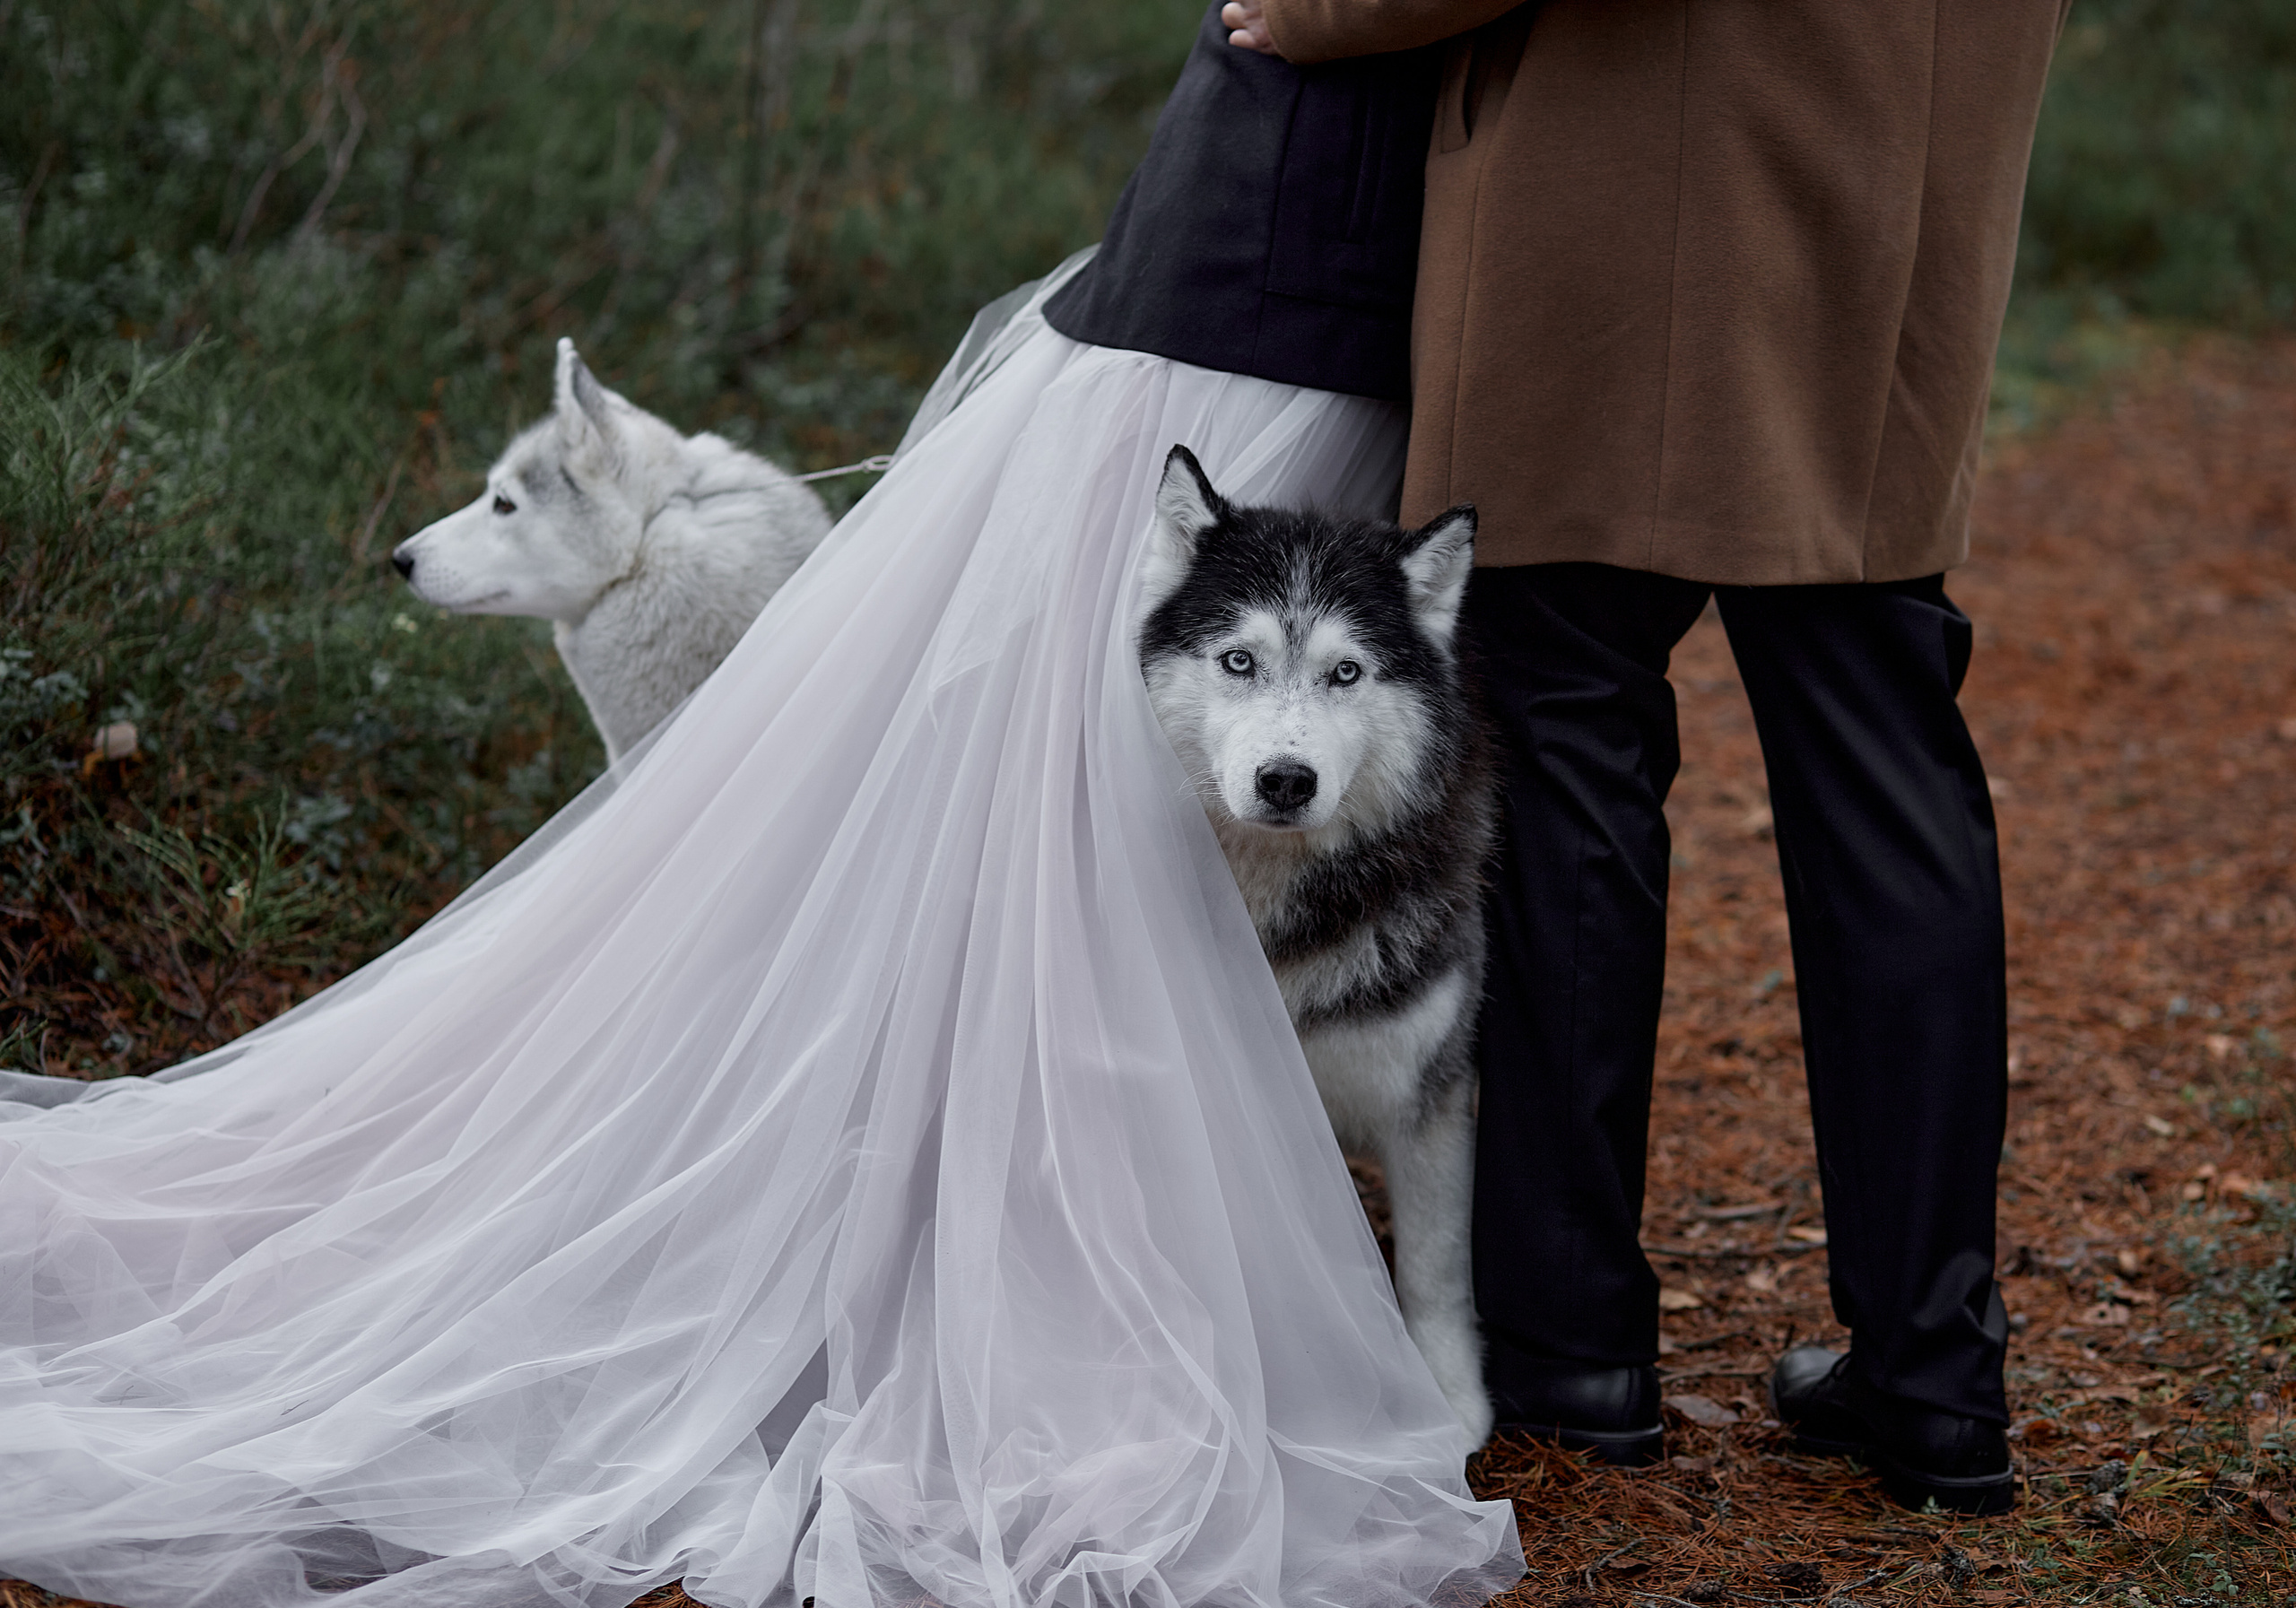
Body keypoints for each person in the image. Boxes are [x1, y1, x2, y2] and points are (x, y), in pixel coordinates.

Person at [0, 13, 1525, 1607]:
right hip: (1274, 272)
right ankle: (1021, 1288)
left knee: (1107, 827)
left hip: (1327, 255)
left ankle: (1099, 1270)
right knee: (1076, 834)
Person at [1226, 0, 2066, 1514]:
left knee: (1562, 757)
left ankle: (1574, 1350)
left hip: (1617, 201)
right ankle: (1940, 1376)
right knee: (1886, 768)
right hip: (1907, 198)